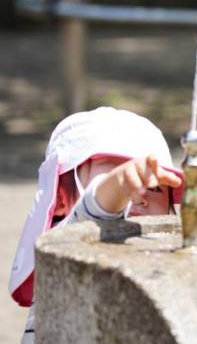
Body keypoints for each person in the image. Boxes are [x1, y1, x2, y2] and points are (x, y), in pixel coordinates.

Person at [9, 107, 187, 343]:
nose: (138, 194)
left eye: (154, 187)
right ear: (61, 198)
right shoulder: (66, 244)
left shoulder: (165, 256)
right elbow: (96, 210)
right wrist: (118, 185)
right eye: (113, 175)